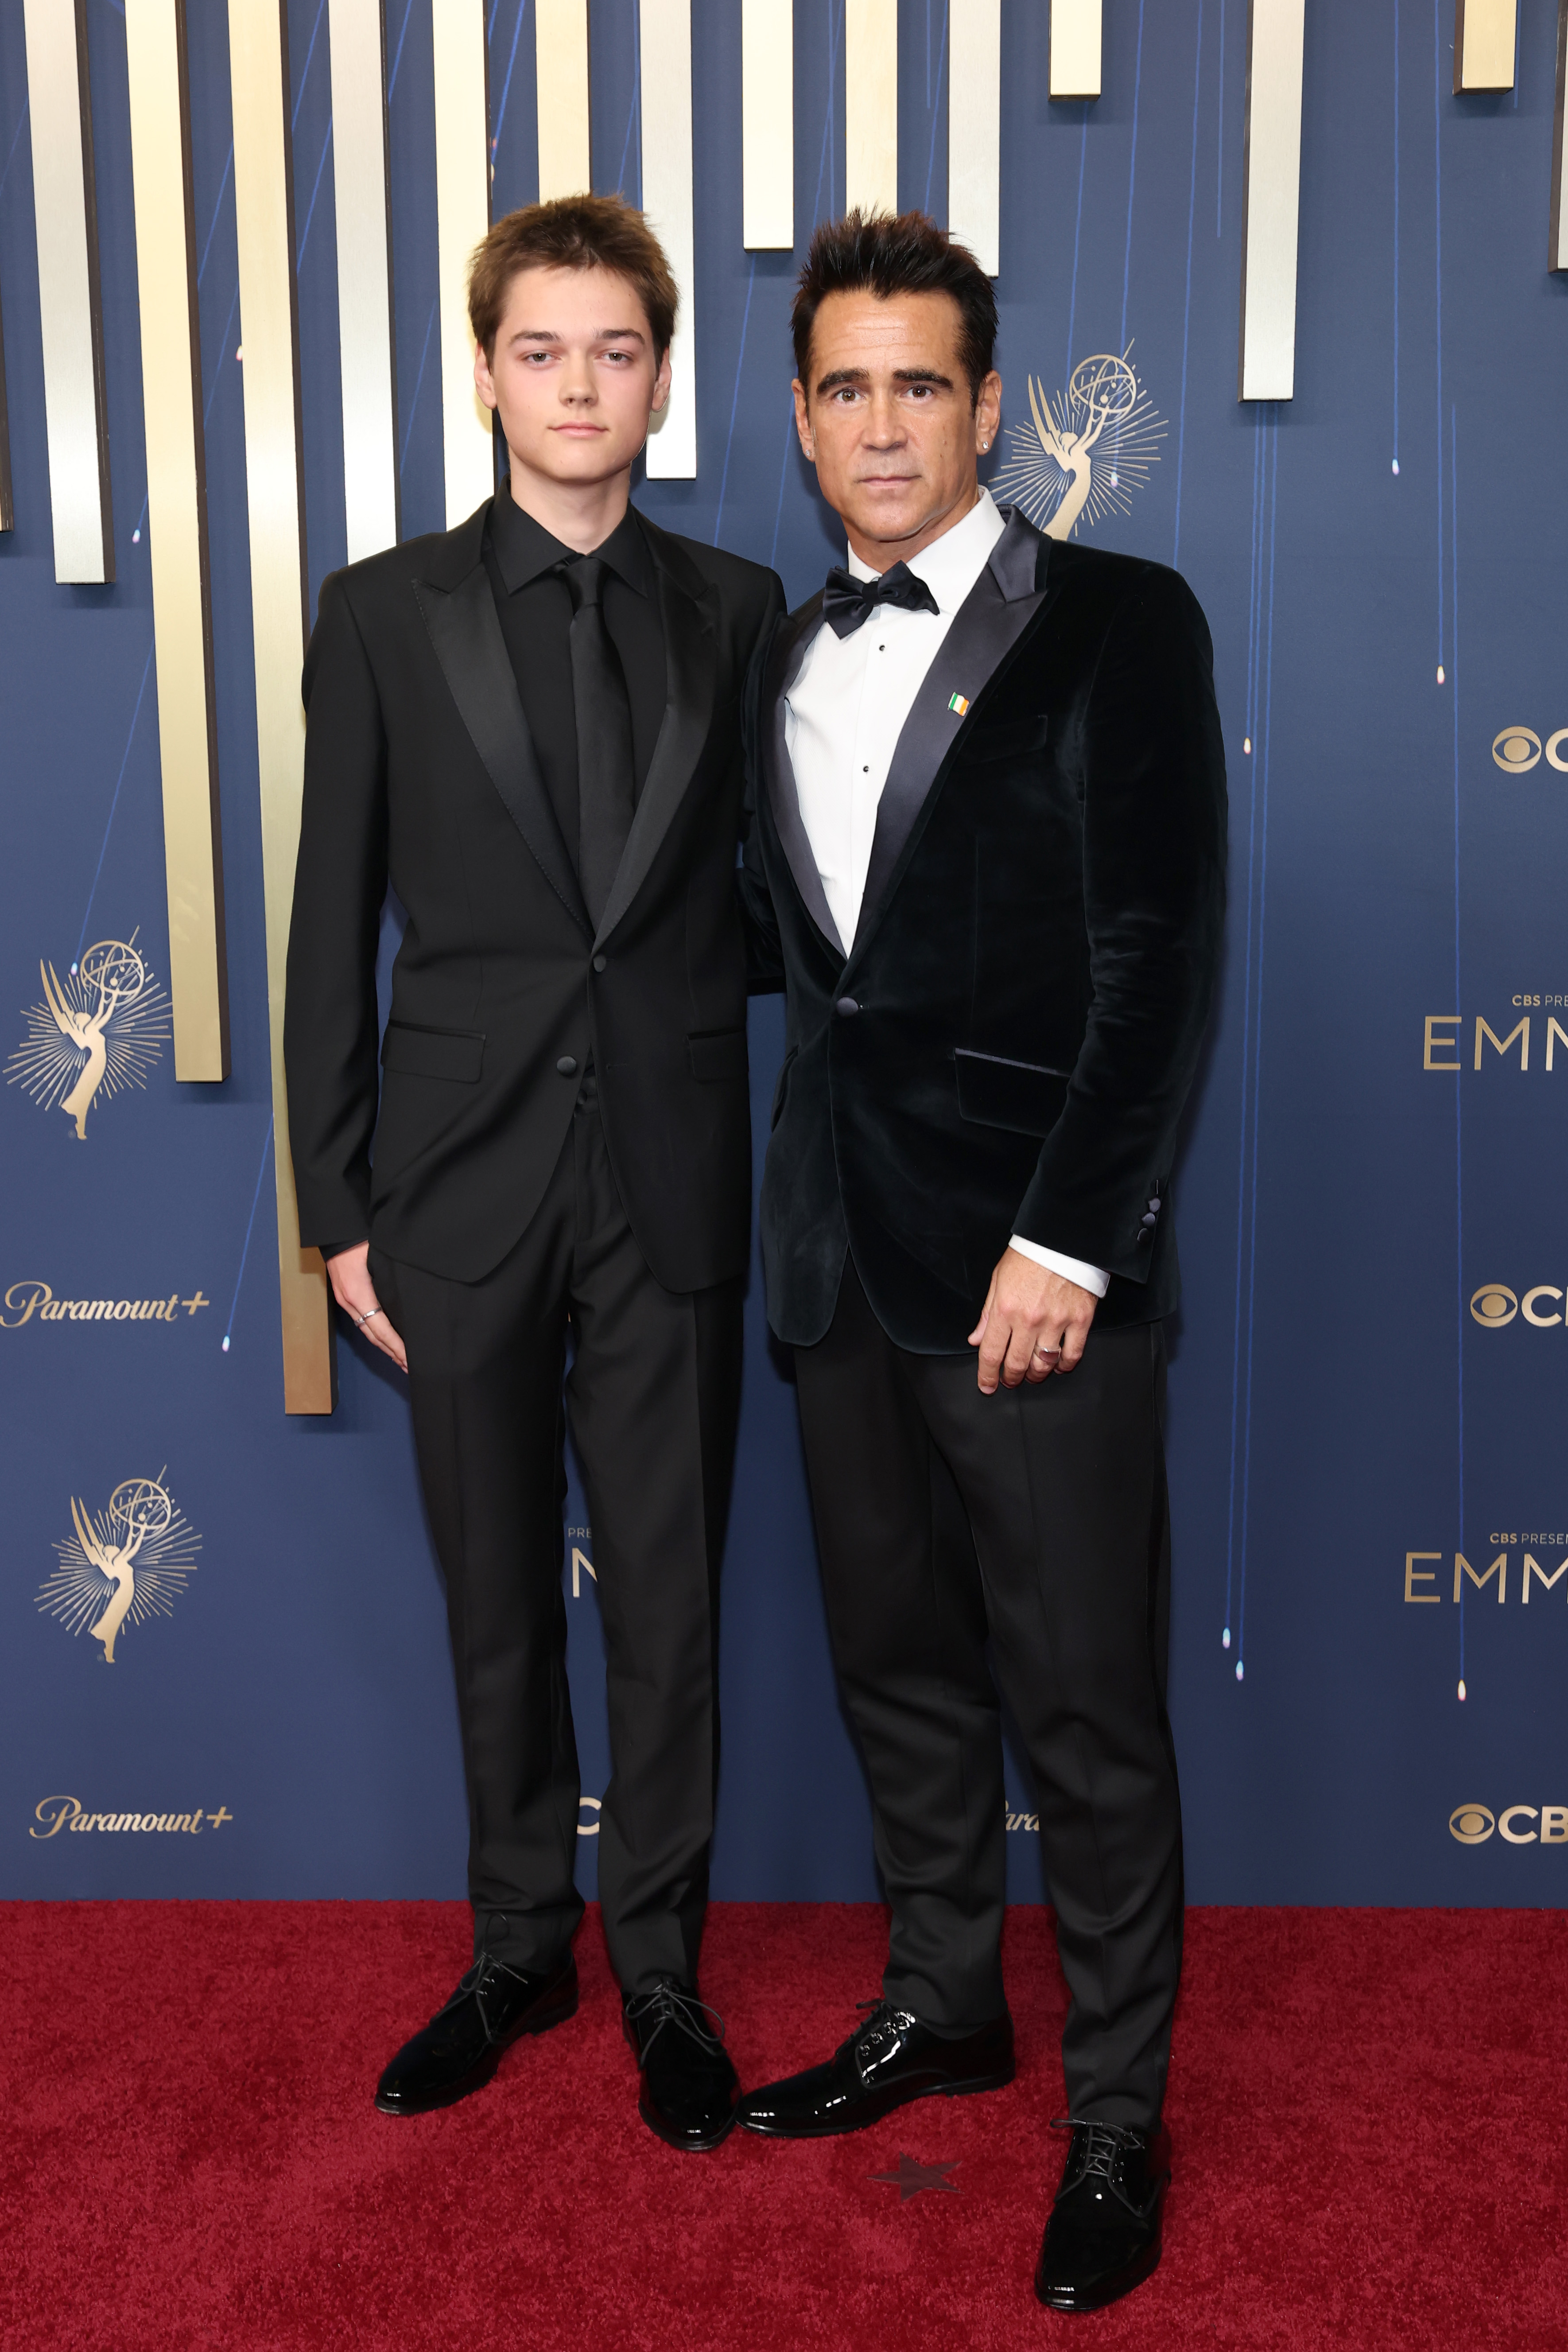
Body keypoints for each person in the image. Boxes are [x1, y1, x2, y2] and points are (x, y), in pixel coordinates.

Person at [734, 212, 1226, 2313]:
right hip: (840, 1261)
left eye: (919, 382)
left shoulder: (1121, 620)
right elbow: (808, 975)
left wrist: (1069, 1241)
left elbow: (1159, 970)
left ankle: (1118, 2105)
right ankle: (949, 1995)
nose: (881, 423)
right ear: (798, 414)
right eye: (844, 385)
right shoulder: (775, 646)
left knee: (1087, 1707)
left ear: (991, 404)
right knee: (902, 1676)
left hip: (1035, 1281)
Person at [284, 194, 782, 2151]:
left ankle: (659, 1961)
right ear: (486, 371)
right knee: (496, 1599)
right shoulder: (380, 610)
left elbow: (770, 901)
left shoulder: (741, 609)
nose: (583, 385)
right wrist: (335, 1207)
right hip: (454, 1190)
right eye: (544, 349)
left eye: (620, 349)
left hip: (671, 1173)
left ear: (663, 376)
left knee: (668, 1601)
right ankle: (518, 1943)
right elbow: (331, 929)